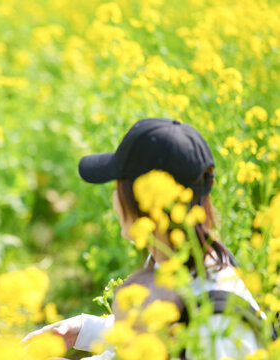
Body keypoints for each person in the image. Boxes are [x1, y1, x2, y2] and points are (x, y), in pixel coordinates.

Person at [22, 118, 263, 359]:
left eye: (117, 186)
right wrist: (85, 331)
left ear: (144, 200)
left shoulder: (214, 327)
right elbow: (151, 341)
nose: (114, 198)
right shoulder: (178, 263)